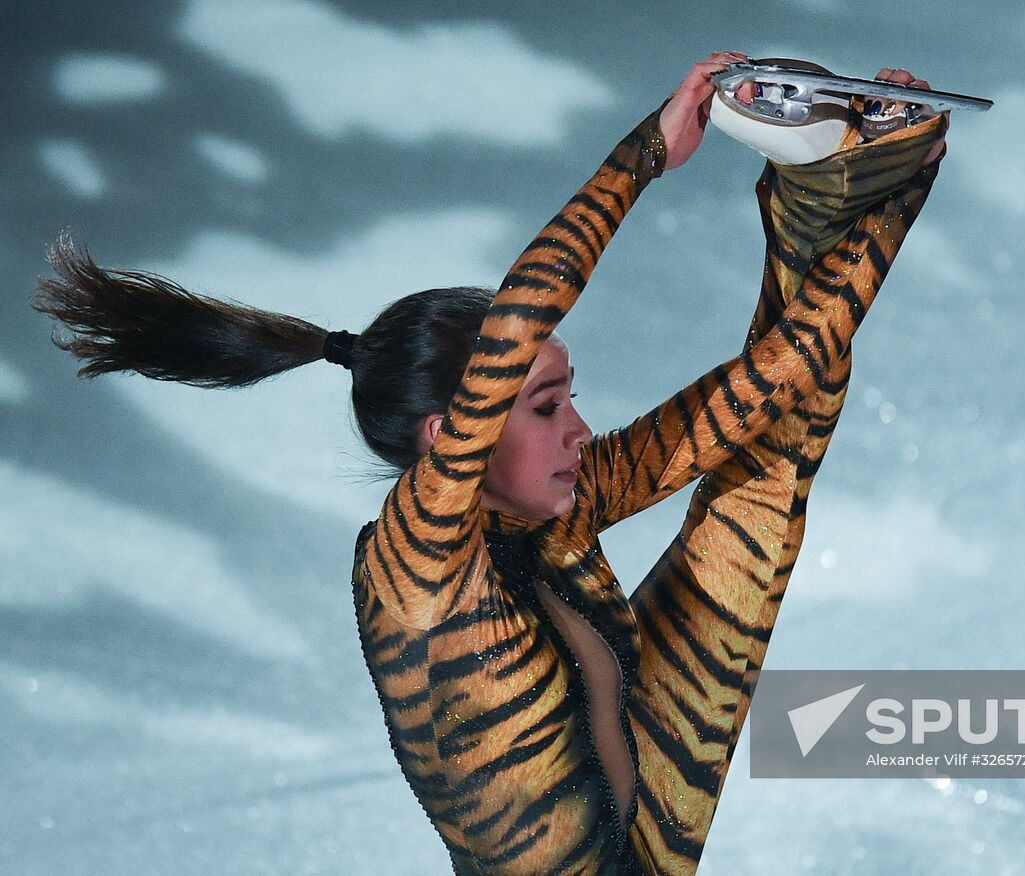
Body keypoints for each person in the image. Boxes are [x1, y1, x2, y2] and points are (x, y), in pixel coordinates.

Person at [34, 51, 949, 875]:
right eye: (546, 405)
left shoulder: (548, 508)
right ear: (450, 436)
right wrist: (642, 156)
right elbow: (517, 320)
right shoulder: (418, 568)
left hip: (647, 849)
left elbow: (766, 387)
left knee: (769, 458)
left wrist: (890, 196)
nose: (581, 428)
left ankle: (820, 202)